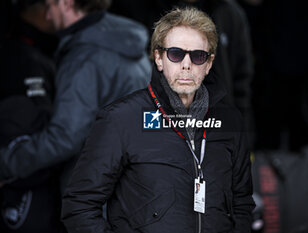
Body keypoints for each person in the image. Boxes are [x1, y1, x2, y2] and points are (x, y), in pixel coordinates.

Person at [62, 7, 255, 233]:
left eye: (197, 56)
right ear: (159, 58)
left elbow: (242, 204)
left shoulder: (230, 122)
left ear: (209, 64)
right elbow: (79, 205)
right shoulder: (120, 120)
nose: (186, 64)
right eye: (175, 53)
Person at [0, 0, 151, 198]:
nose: (46, 15)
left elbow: (64, 138)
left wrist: (5, 164)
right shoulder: (125, 41)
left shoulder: (84, 59)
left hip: (101, 200)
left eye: (50, 5)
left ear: (66, 3)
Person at [111, 0, 255, 147]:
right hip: (156, 133)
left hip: (217, 137)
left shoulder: (229, 13)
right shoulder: (137, 10)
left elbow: (242, 85)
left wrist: (242, 141)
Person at [0, 1, 60, 231]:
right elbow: (35, 131)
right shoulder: (23, 57)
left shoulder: (39, 52)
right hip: (26, 185)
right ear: (45, 10)